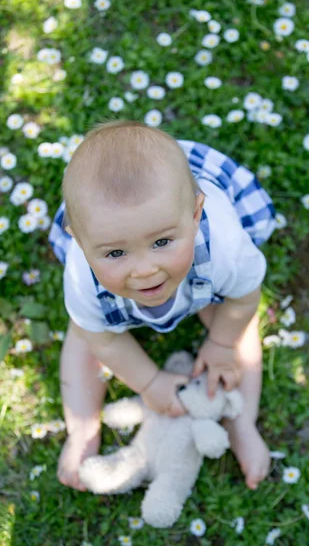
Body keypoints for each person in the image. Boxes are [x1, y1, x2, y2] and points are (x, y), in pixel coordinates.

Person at [49, 120, 276, 492]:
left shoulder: (224, 246)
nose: (144, 269)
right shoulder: (82, 276)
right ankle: (81, 428)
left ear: (195, 214)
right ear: (80, 241)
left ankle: (242, 420)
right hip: (131, 258)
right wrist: (149, 382)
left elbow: (245, 295)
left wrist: (220, 344)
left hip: (202, 274)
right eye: (116, 252)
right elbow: (103, 341)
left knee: (238, 328)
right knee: (84, 336)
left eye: (161, 243)